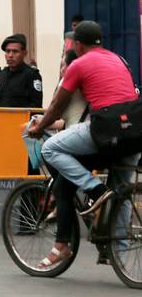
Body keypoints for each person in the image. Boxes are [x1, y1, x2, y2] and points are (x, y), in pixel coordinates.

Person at [28, 21, 140, 266]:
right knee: (120, 191)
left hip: (106, 128)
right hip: (135, 131)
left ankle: (95, 191)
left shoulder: (78, 64)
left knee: (50, 148)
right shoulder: (118, 59)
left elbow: (58, 105)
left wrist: (40, 127)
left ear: (77, 44)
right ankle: (117, 254)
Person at [0, 34, 42, 110]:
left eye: (15, 51)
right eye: (8, 51)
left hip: (21, 120)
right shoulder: (2, 74)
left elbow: (36, 105)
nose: (10, 55)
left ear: (24, 53)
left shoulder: (32, 75)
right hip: (0, 119)